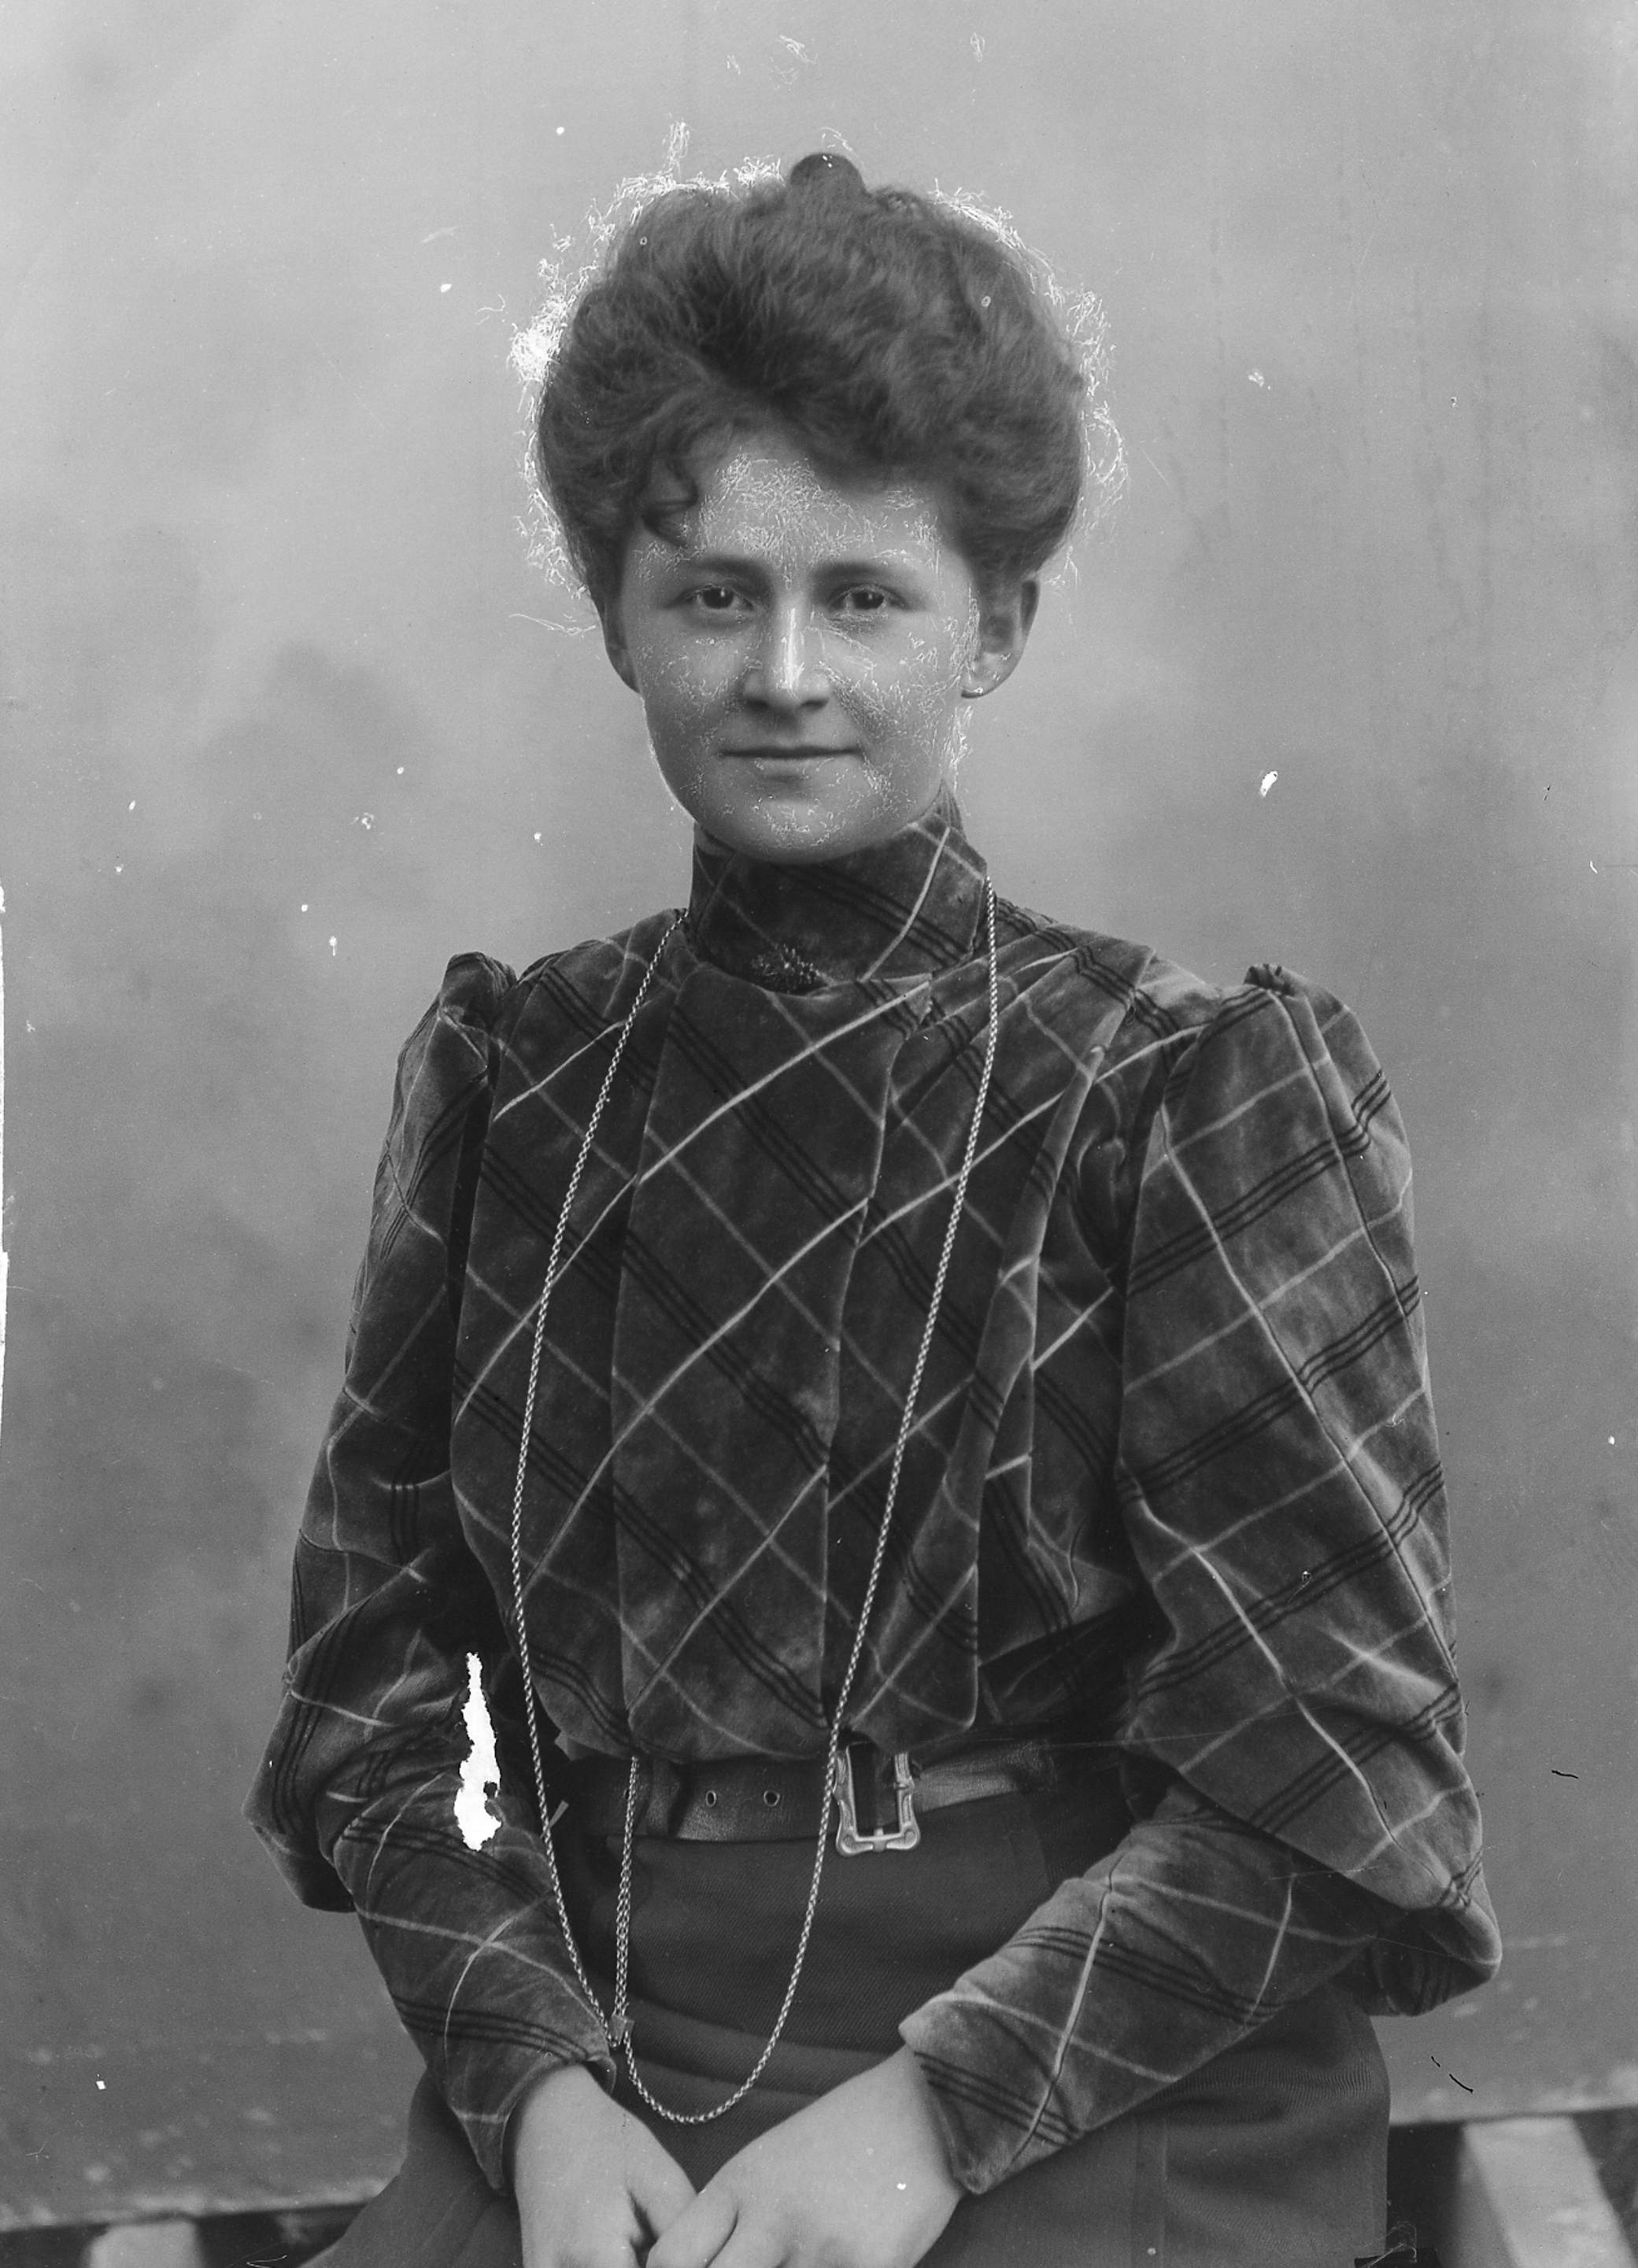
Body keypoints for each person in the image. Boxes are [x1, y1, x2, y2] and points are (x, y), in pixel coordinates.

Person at [247, 152, 1500, 2268]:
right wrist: (534, 2090)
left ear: (994, 624)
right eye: (711, 594)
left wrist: (923, 2120)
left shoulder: (1177, 1092)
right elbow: (366, 1708)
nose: (783, 672)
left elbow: (1339, 1762)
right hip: (608, 2048)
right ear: (614, 614)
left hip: (1078, 2063)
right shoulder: (515, 1079)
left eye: (866, 597)